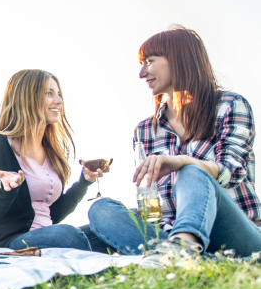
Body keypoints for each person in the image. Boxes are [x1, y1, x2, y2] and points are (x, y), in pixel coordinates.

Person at [88, 26, 260, 257]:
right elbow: (152, 203)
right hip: (169, 230)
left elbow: (232, 172)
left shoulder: (229, 105)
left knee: (191, 172)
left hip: (235, 232)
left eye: (149, 61)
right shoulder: (145, 130)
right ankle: (183, 254)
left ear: (178, 59)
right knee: (102, 210)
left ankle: (182, 247)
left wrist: (180, 161)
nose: (142, 73)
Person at [0, 70, 103, 250]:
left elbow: (53, 213)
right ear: (27, 97)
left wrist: (84, 182)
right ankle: (89, 262)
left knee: (116, 222)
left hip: (49, 237)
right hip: (11, 243)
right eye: (49, 93)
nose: (59, 101)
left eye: (59, 94)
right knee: (68, 235)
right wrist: (5, 189)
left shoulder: (51, 150)